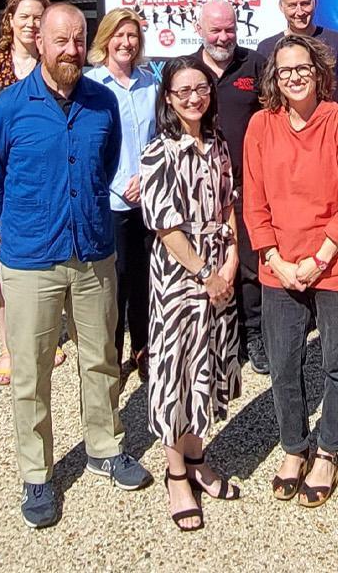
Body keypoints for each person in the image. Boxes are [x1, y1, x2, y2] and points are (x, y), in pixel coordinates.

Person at [0, 3, 152, 530]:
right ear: (40, 44)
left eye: (77, 40)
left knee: (100, 359)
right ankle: (36, 473)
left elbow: (105, 162)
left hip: (94, 253)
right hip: (31, 263)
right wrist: (23, 226)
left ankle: (103, 445)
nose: (70, 50)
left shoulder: (101, 103)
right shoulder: (7, 108)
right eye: (59, 41)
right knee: (31, 372)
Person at [243, 34, 338, 508]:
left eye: (303, 68)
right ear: (274, 78)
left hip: (335, 265)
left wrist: (318, 259)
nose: (294, 76)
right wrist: (276, 260)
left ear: (319, 72)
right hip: (280, 267)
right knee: (283, 363)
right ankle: (294, 447)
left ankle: (330, 449)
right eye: (284, 70)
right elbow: (253, 201)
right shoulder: (261, 126)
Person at [138, 56, 244, 531]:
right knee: (176, 369)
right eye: (183, 91)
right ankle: (175, 472)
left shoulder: (218, 143)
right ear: (168, 98)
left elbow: (228, 202)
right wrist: (207, 273)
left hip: (221, 268)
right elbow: (165, 226)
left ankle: (198, 457)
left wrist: (234, 258)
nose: (194, 98)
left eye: (200, 88)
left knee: (211, 361)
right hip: (182, 279)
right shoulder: (159, 152)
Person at [0, 0, 62, 383]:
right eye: (24, 16)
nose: (31, 23)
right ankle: (8, 347)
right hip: (3, 185)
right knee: (5, 271)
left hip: (45, 183)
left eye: (39, 16)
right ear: (10, 21)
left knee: (47, 266)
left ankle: (46, 337)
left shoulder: (53, 64)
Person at [84, 7, 160, 379]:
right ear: (106, 40)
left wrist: (146, 178)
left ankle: (143, 347)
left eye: (132, 36)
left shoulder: (150, 84)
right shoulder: (92, 86)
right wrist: (118, 183)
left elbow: (159, 140)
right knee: (114, 281)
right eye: (119, 35)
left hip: (147, 199)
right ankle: (112, 354)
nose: (126, 43)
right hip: (111, 200)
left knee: (144, 277)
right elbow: (88, 148)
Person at [193, 0, 268, 374]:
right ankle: (225, 337)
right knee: (215, 263)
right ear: (199, 29)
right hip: (202, 190)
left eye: (229, 29)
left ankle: (255, 335)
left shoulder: (254, 64)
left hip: (249, 184)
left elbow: (274, 117)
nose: (223, 37)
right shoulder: (185, 70)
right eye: (215, 30)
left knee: (251, 265)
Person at [256, 0, 338, 99]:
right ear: (281, 7)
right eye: (292, 5)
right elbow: (265, 97)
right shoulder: (266, 48)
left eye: (305, 3)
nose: (300, 12)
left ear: (315, 1)